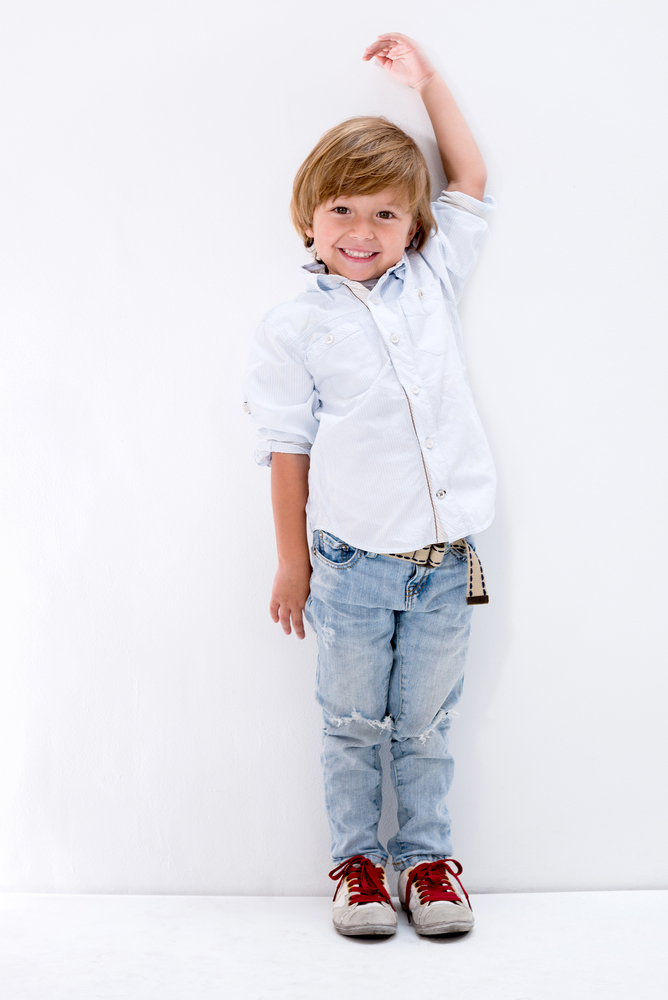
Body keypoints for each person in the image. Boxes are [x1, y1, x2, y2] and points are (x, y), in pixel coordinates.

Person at [243, 32, 495, 937]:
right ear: (308, 217)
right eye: (342, 210)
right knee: (352, 721)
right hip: (349, 565)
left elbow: (467, 173)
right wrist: (291, 564)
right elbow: (287, 450)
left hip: (444, 561)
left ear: (414, 227)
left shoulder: (431, 281)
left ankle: (426, 860)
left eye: (385, 215)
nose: (361, 232)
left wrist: (428, 84)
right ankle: (357, 863)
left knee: (426, 726)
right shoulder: (294, 327)